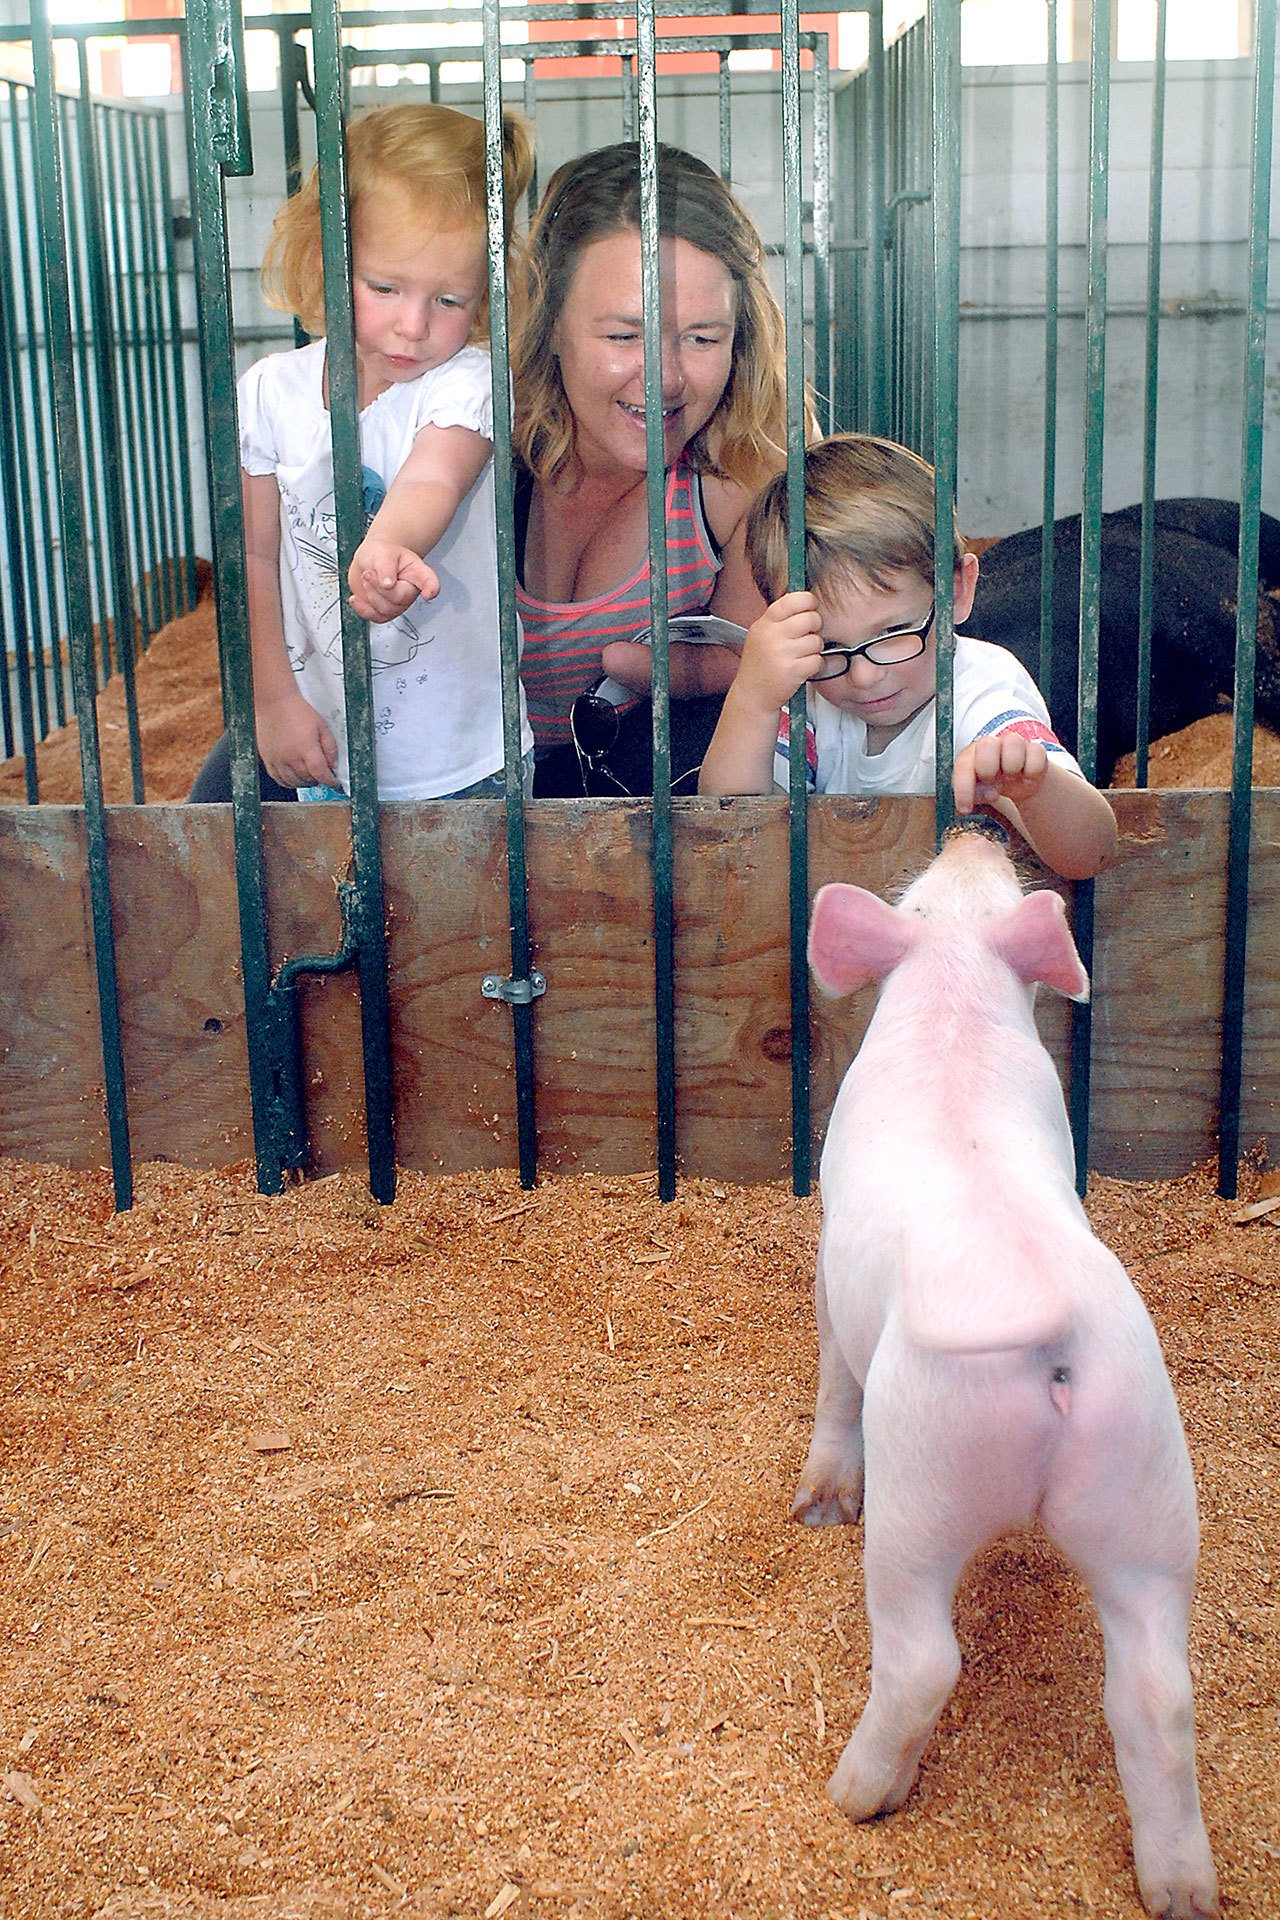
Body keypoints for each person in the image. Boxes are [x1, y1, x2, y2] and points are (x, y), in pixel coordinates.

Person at [188, 102, 535, 804]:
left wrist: (390, 547)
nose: (414, 325)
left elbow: (436, 475)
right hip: (319, 742)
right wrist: (272, 703)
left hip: (465, 764)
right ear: (327, 257)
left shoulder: (467, 382)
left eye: (449, 298)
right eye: (385, 287)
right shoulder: (268, 394)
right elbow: (252, 558)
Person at [511, 140, 805, 796]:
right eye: (623, 336)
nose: (665, 379)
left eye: (703, 338)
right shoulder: (471, 442)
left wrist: (642, 671)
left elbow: (748, 676)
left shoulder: (742, 474)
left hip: (637, 796)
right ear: (549, 323)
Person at [698, 434, 1118, 881]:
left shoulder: (981, 689)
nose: (862, 675)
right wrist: (752, 698)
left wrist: (1036, 791)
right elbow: (731, 825)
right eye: (828, 644)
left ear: (956, 589)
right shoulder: (809, 695)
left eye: (894, 632)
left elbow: (1092, 854)